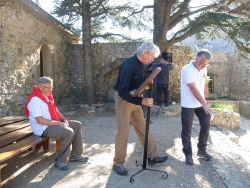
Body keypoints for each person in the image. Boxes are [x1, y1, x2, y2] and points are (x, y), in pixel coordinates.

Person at [113, 42, 168, 176]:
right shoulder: (129, 65)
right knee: (123, 131)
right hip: (124, 100)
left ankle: (152, 156)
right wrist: (141, 101)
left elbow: (141, 82)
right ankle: (118, 163)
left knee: (143, 127)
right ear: (145, 54)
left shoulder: (143, 64)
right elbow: (122, 91)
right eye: (152, 57)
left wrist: (147, 84)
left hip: (136, 99)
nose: (153, 59)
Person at [25, 76, 88, 170]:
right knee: (68, 132)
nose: (51, 90)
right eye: (48, 88)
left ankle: (75, 155)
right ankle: (60, 161)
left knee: (77, 125)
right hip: (42, 127)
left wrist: (64, 120)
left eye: (51, 88)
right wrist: (58, 123)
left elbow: (56, 111)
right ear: (40, 87)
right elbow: (40, 120)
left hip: (52, 123)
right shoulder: (35, 100)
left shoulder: (47, 96)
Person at [180, 49, 213, 165]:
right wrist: (204, 103)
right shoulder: (186, 69)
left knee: (206, 124)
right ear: (197, 57)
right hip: (188, 104)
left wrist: (207, 100)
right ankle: (188, 153)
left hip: (201, 103)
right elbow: (192, 88)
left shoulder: (204, 68)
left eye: (205, 64)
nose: (202, 66)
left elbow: (205, 85)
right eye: (201, 62)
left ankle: (201, 150)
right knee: (187, 129)